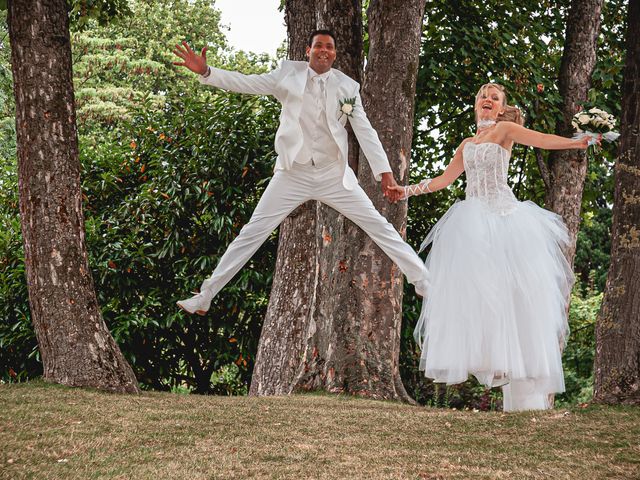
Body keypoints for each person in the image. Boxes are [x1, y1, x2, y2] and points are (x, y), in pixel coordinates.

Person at [172, 30, 429, 315]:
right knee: (252, 232)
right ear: (308, 50)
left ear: (334, 53)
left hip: (333, 175)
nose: (324, 50)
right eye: (318, 45)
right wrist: (207, 71)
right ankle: (206, 294)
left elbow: (364, 131)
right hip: (293, 173)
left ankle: (422, 279)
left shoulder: (348, 87)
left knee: (378, 225)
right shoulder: (287, 75)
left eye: (329, 47)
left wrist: (385, 172)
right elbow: (247, 82)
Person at [392, 83, 589, 411]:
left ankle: (523, 385)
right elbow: (443, 180)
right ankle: (492, 361)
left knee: (510, 297)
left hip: (504, 219)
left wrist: (576, 142)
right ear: (476, 105)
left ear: (500, 109)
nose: (487, 99)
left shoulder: (505, 131)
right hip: (471, 223)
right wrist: (406, 190)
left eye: (494, 97)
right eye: (482, 95)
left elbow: (540, 139)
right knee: (478, 298)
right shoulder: (467, 144)